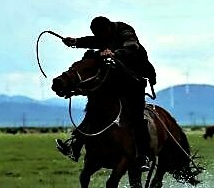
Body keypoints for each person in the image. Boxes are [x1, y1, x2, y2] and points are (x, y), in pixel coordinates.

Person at [55, 16, 157, 168]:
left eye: (101, 35)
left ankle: (143, 156)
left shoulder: (125, 31)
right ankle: (75, 146)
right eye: (98, 36)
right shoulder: (103, 36)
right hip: (117, 79)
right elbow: (92, 41)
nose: (100, 39)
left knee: (136, 116)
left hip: (135, 79)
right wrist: (75, 42)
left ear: (109, 28)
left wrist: (114, 53)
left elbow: (131, 47)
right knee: (94, 108)